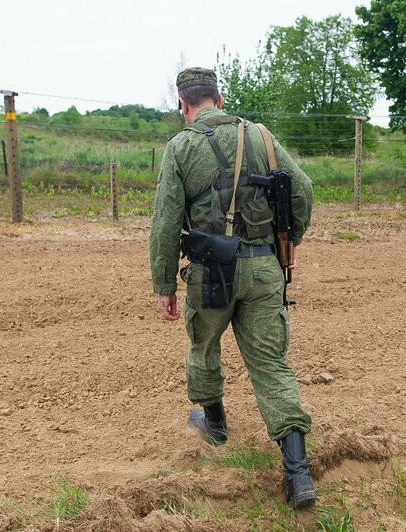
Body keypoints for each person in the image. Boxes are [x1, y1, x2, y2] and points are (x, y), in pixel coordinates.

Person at [149, 67, 316, 509]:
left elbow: (166, 222)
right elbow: (302, 188)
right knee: (272, 366)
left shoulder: (181, 146)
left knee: (204, 348)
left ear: (184, 105)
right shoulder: (260, 136)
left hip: (211, 274)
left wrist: (164, 283)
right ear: (219, 99)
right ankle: (298, 476)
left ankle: (215, 424)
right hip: (264, 268)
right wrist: (290, 242)